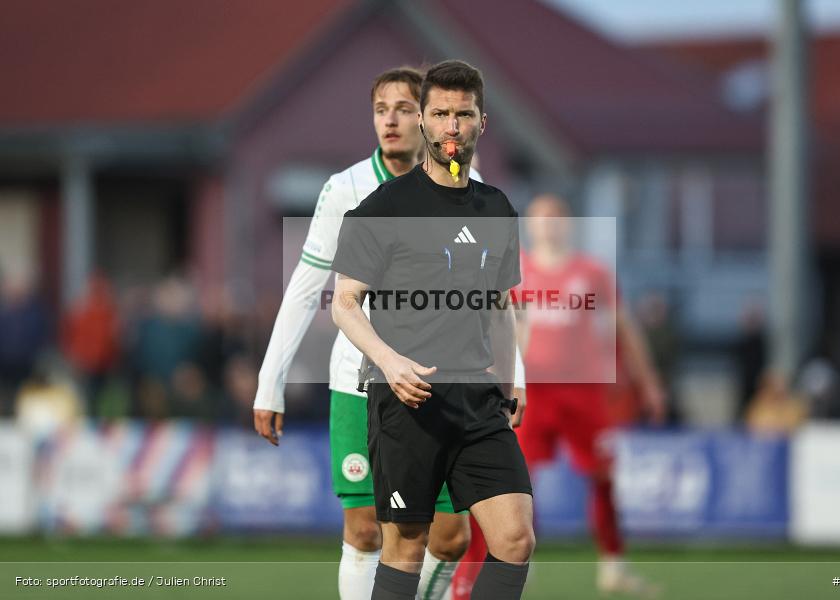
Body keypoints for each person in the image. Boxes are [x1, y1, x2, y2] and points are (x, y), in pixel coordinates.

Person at [252, 66, 525, 600]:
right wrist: (270, 382)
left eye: (404, 107)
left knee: (454, 538)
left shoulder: (478, 194)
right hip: (368, 386)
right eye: (383, 109)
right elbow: (315, 290)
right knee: (368, 531)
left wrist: (513, 380)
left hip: (466, 391)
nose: (393, 120)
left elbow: (495, 302)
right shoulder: (349, 190)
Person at [331, 60, 534, 600]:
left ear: (481, 122)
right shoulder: (381, 208)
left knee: (514, 538)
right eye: (440, 113)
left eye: (462, 115)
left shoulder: (497, 209)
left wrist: (513, 382)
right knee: (405, 548)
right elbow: (345, 305)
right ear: (423, 119)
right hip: (407, 402)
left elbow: (500, 305)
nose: (451, 126)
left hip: (478, 401)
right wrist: (390, 363)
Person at [454, 194, 666, 599]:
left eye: (554, 217)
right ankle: (512, 562)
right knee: (512, 481)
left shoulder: (592, 272)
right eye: (539, 218)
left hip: (584, 392)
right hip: (532, 392)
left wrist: (649, 380)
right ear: (530, 226)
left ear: (567, 223)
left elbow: (625, 328)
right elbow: (499, 331)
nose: (547, 225)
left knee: (603, 476)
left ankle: (613, 566)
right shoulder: (517, 272)